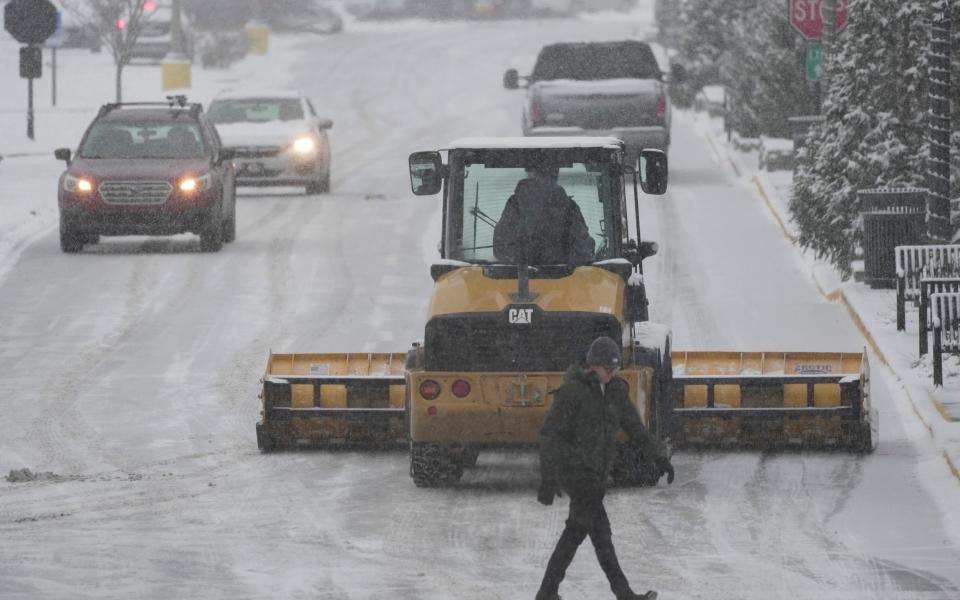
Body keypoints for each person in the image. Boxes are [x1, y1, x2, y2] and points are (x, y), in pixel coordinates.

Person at [535, 336, 674, 600]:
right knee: (594, 535)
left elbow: (634, 427)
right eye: (607, 369)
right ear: (592, 366)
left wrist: (659, 457)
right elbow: (551, 436)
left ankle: (547, 593)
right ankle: (622, 594)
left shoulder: (616, 391)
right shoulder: (572, 392)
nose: (611, 374)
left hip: (597, 472)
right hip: (575, 472)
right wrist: (548, 478)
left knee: (583, 533)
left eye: (615, 369)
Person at [493, 165, 595, 265]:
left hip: (518, 278)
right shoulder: (569, 208)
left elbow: (501, 247)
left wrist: (524, 260)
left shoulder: (515, 204)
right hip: (564, 279)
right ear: (555, 174)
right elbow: (583, 251)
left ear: (531, 172)